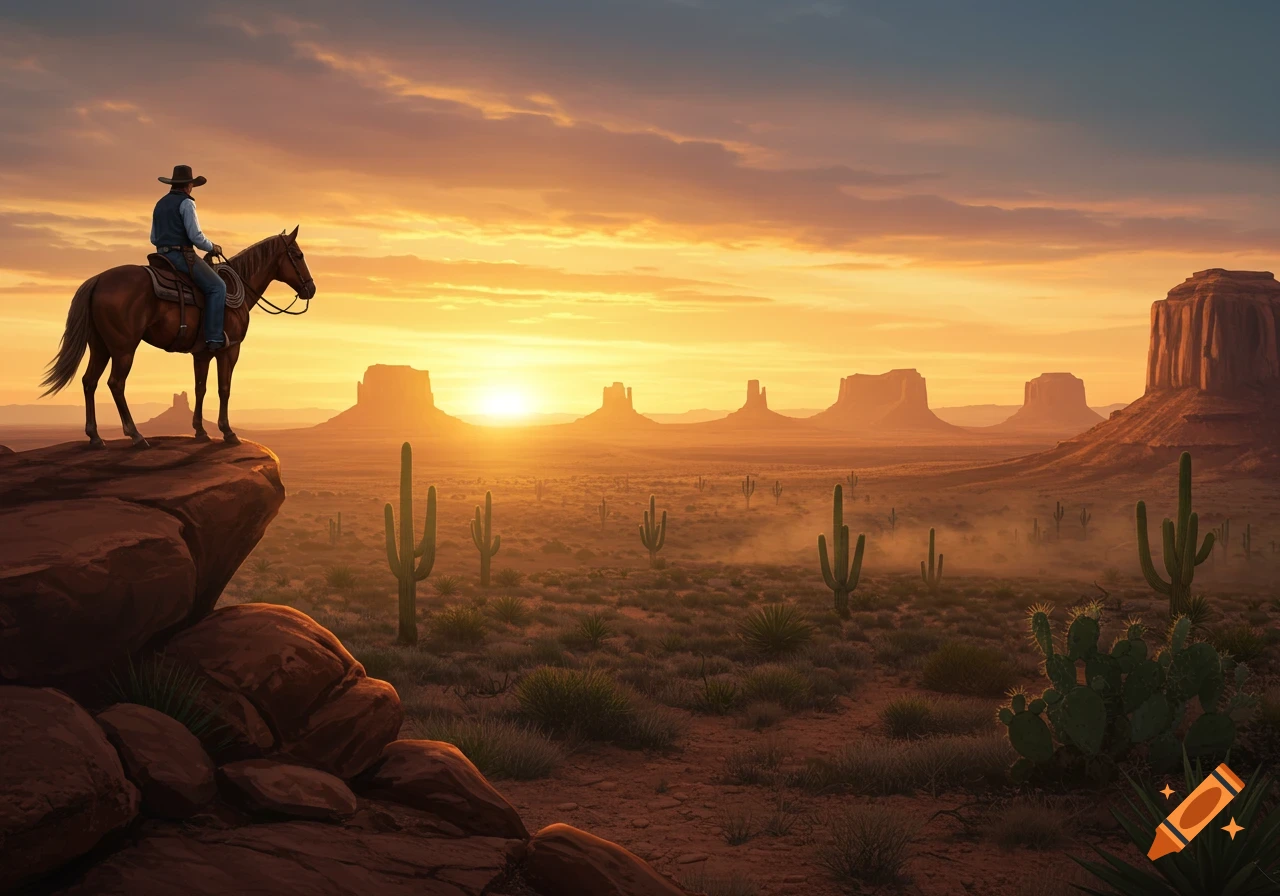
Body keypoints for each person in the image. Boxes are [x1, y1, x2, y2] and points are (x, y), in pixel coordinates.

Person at [149, 164, 228, 352]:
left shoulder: (160, 203)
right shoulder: (187, 203)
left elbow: (153, 237)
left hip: (161, 256)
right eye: (191, 185)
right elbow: (195, 237)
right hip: (181, 256)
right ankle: (214, 338)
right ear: (187, 186)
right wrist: (212, 247)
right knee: (218, 287)